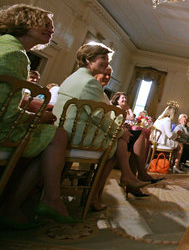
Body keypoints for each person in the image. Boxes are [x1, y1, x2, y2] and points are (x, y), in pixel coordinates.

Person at [0, 4, 74, 228]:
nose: (52, 30)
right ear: (24, 21)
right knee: (58, 135)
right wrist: (40, 117)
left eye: (52, 27)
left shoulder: (5, 45)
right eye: (45, 24)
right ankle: (15, 207)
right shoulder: (15, 55)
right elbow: (7, 113)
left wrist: (30, 105)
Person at [52, 42, 151, 207]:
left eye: (107, 59)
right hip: (74, 135)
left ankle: (124, 178)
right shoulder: (89, 82)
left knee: (118, 139)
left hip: (67, 130)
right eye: (102, 59)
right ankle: (93, 196)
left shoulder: (75, 76)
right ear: (88, 59)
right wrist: (120, 132)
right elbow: (99, 115)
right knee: (114, 147)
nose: (106, 63)